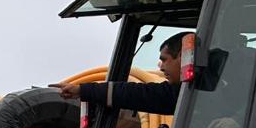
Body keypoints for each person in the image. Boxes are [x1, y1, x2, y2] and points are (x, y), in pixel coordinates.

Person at [52, 31, 186, 114]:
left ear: (182, 56)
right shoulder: (184, 94)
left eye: (165, 60)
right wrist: (82, 90)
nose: (161, 68)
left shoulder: (195, 91)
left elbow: (138, 94)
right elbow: (133, 94)